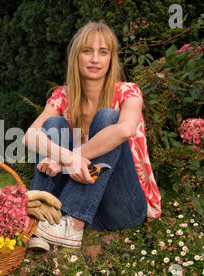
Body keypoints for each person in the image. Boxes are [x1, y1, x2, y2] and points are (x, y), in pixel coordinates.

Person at [22, 21, 162, 250]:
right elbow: (29, 136)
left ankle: (73, 227)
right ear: (76, 57)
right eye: (87, 51)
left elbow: (124, 130)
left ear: (111, 59)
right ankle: (42, 222)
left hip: (123, 206)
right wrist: (67, 159)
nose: (95, 59)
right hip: (90, 212)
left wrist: (68, 158)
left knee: (108, 119)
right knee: (53, 124)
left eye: (103, 52)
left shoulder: (128, 92)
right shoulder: (62, 96)